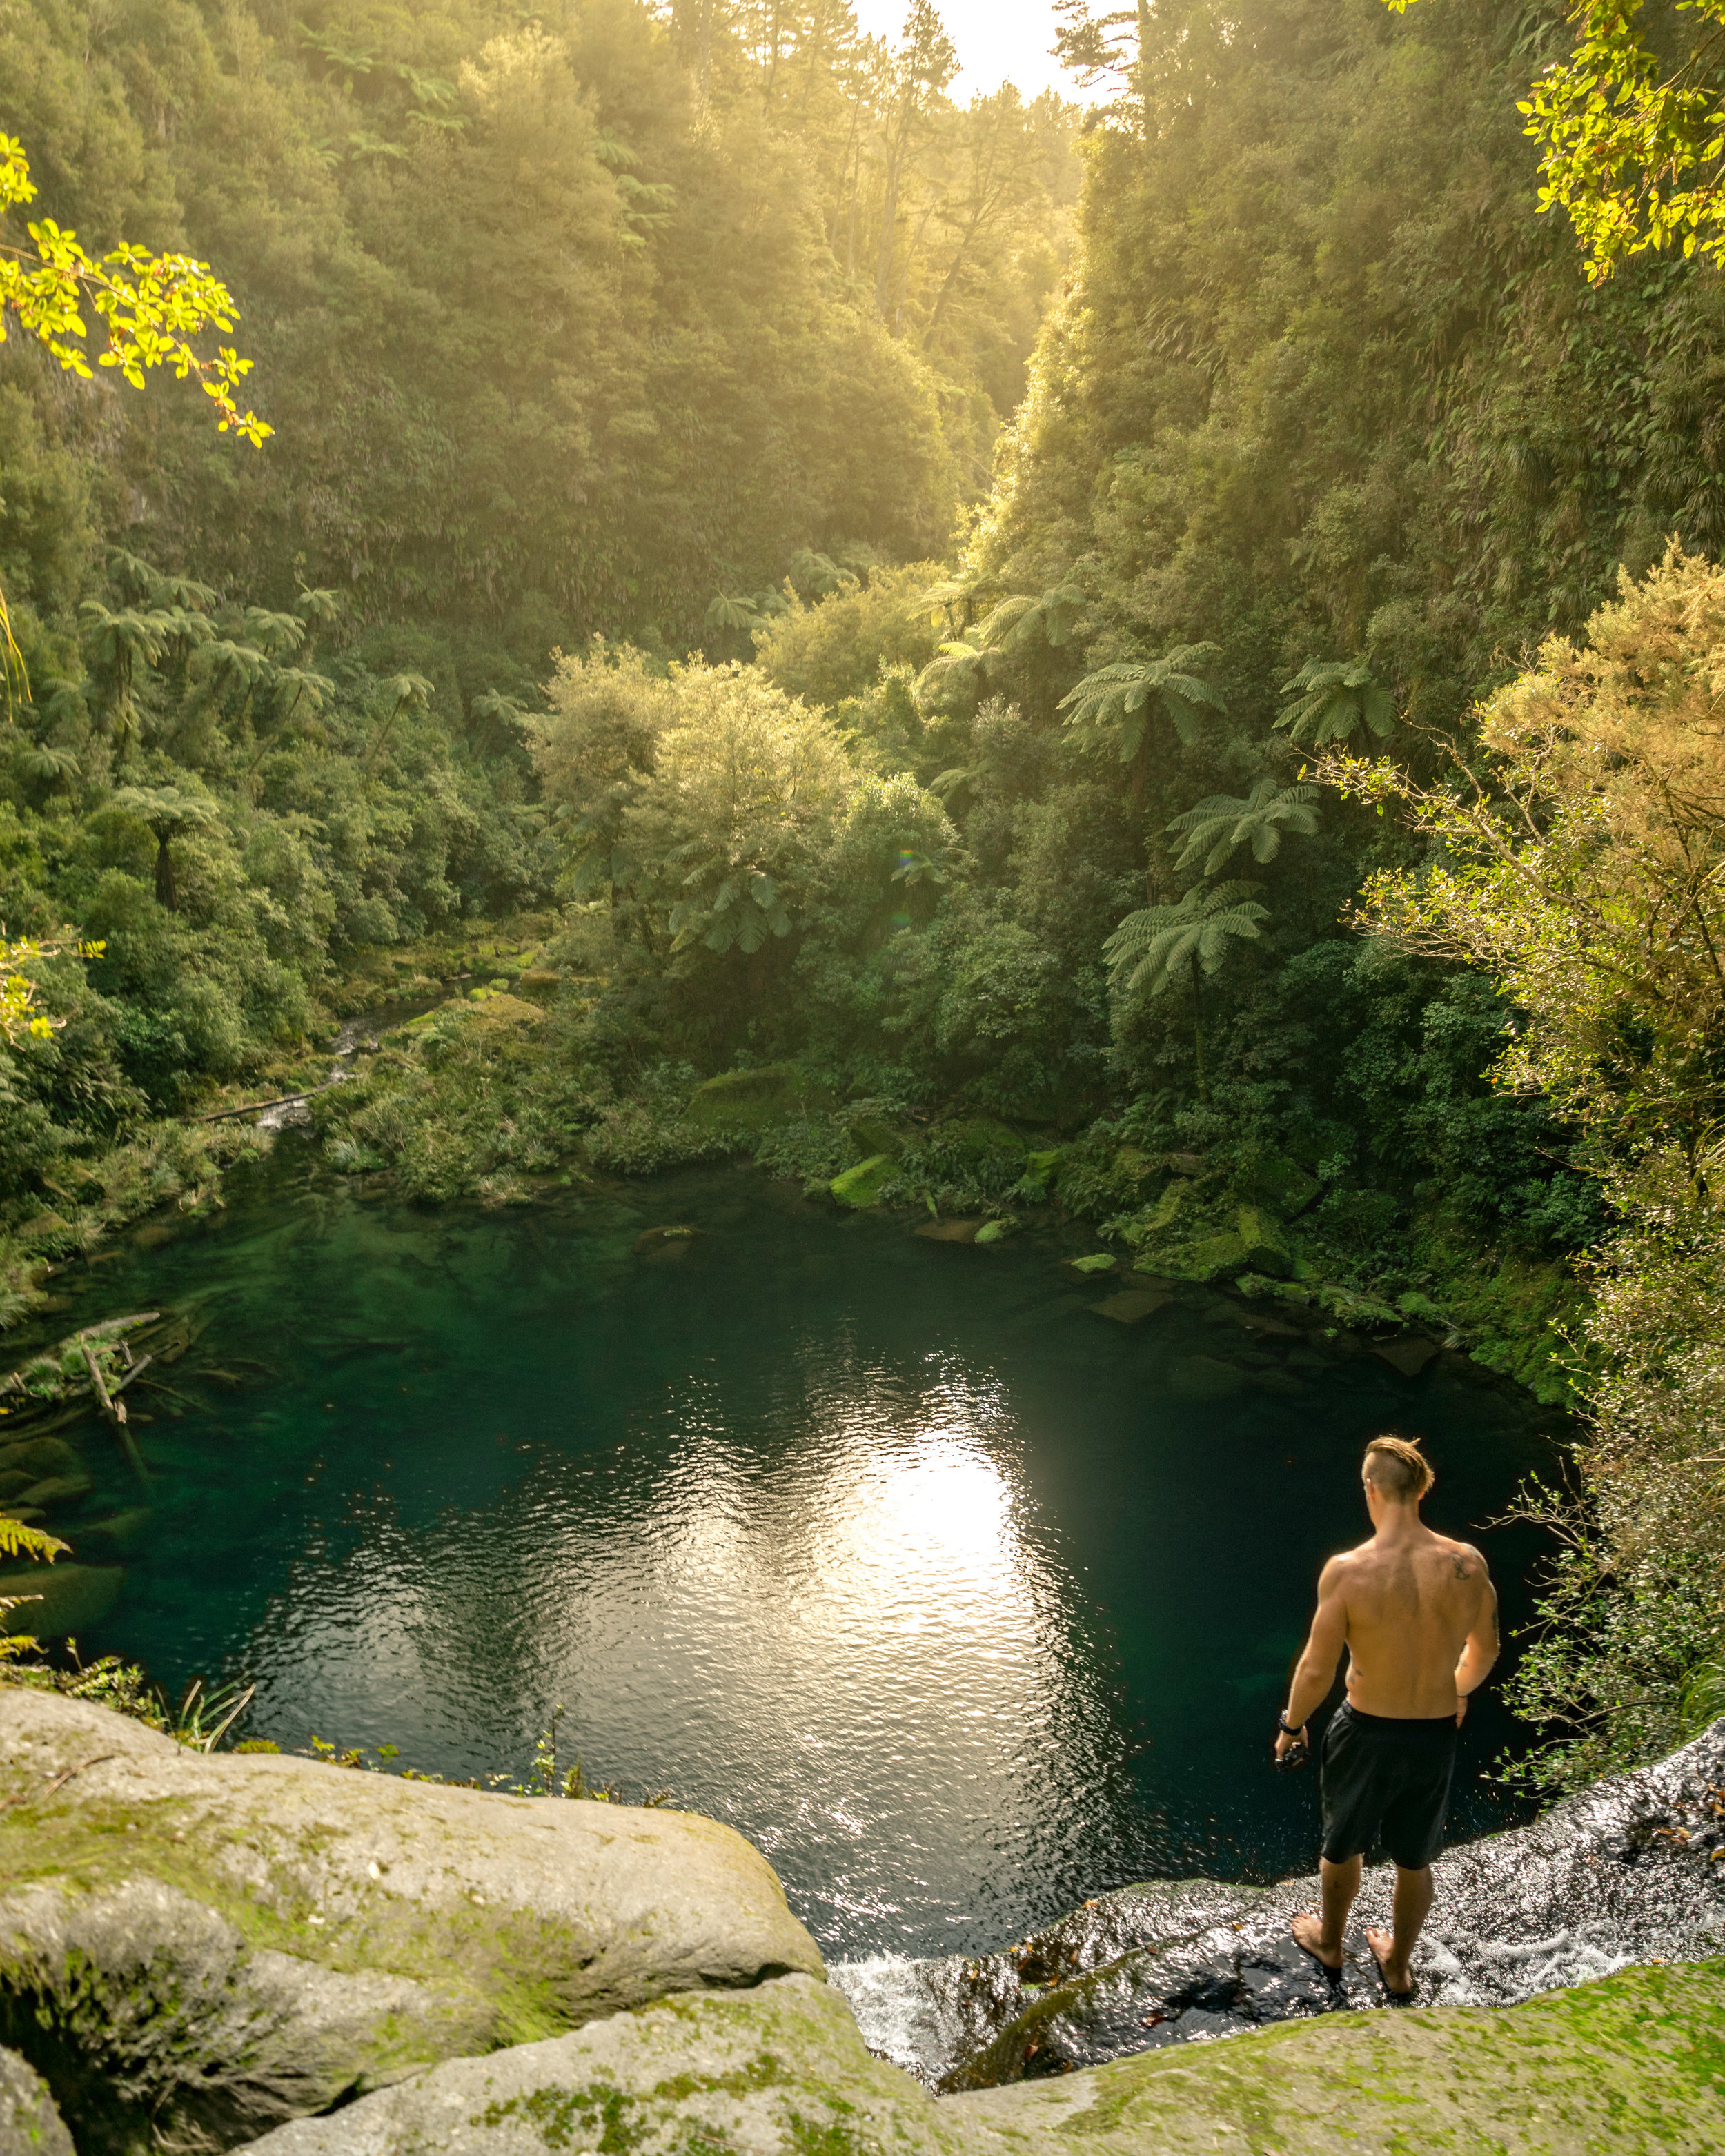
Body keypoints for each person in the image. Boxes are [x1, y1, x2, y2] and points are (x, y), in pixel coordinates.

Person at [1272, 1432, 1499, 1998]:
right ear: (1423, 1489)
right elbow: (1486, 1651)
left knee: (1343, 1843)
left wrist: (1292, 1723)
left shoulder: (1348, 1569)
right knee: (1414, 1857)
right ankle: (1398, 1965)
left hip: (1366, 1730)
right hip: (1433, 1734)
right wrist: (1456, 1690)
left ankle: (1330, 1942)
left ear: (1369, 1488)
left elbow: (1316, 1669)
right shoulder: (1467, 1564)